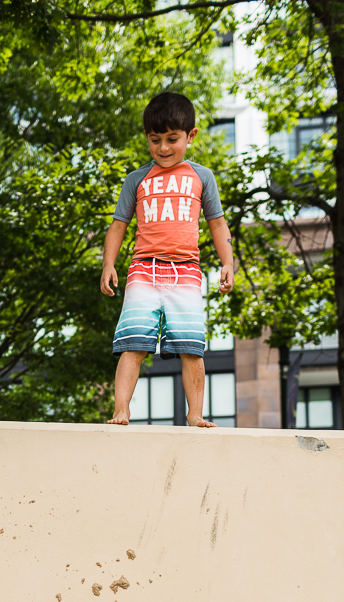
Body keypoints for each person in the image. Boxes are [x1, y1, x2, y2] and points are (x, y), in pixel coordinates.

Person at [101, 91, 235, 427]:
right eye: (155, 140)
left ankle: (195, 414)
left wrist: (227, 263)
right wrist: (108, 264)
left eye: (172, 139)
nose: (163, 148)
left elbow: (217, 223)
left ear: (191, 136)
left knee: (191, 346)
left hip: (187, 272)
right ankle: (121, 409)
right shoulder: (137, 179)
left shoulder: (202, 177)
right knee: (133, 344)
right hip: (143, 270)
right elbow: (119, 225)